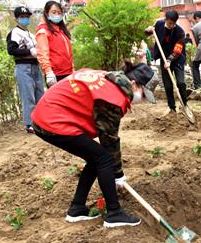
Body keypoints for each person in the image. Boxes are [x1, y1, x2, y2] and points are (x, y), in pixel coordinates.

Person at [31, 63, 157, 227]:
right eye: (144, 95)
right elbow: (109, 141)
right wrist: (118, 175)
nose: (144, 100)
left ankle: (76, 209)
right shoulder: (112, 97)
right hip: (52, 121)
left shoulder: (110, 79)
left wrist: (118, 173)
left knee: (95, 157)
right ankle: (114, 213)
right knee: (104, 158)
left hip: (48, 115)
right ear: (133, 84)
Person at [7, 6, 45, 134]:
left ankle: (41, 121)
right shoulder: (14, 33)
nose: (25, 19)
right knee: (28, 95)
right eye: (22, 17)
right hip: (23, 66)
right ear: (17, 19)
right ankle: (30, 124)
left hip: (35, 65)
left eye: (27, 17)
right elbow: (11, 50)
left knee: (40, 93)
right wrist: (29, 51)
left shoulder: (30, 34)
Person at [145, 10, 188, 115]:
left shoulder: (180, 32)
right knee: (168, 86)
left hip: (177, 59)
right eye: (170, 23)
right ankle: (172, 108)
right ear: (166, 20)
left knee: (181, 83)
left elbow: (178, 49)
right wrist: (148, 30)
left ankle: (185, 105)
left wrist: (170, 59)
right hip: (164, 60)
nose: (172, 25)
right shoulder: (159, 24)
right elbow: (147, 34)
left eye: (174, 23)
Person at [36, 0, 73, 87]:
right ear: (46, 13)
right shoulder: (43, 31)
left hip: (68, 72)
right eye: (54, 12)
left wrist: (73, 69)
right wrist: (48, 72)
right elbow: (42, 53)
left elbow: (69, 53)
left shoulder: (61, 31)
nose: (57, 15)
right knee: (60, 100)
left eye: (59, 13)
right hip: (55, 75)